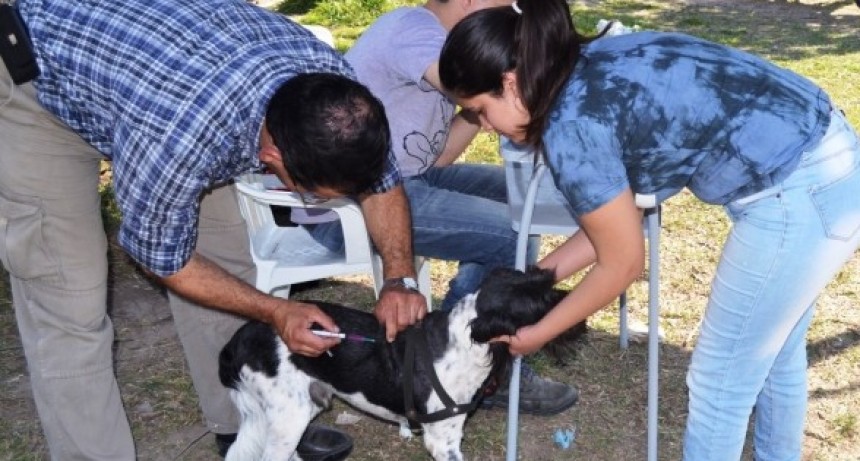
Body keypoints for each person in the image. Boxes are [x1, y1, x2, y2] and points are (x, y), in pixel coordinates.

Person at [0, 0, 427, 459]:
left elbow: (382, 185)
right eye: (315, 194)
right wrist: (276, 312)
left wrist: (399, 276)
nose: (322, 203)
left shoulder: (338, 100)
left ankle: (246, 425)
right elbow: (162, 256)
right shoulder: (182, 134)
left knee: (228, 265)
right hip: (38, 87)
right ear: (272, 160)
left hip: (161, 76)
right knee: (72, 303)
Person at [438, 1, 860, 460]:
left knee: (719, 380)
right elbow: (615, 226)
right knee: (773, 355)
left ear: (511, 83)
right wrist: (535, 280)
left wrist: (538, 334)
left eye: (479, 111)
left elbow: (622, 263)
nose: (482, 125)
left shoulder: (571, 126)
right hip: (823, 155)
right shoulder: (584, 67)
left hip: (799, 189)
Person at [299, 0, 579, 416]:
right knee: (510, 231)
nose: (514, 11)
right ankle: (469, 358)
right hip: (356, 202)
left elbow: (439, 156)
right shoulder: (418, 32)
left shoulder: (442, 43)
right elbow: (499, 86)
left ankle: (460, 343)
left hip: (411, 178)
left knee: (523, 200)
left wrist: (475, 108)